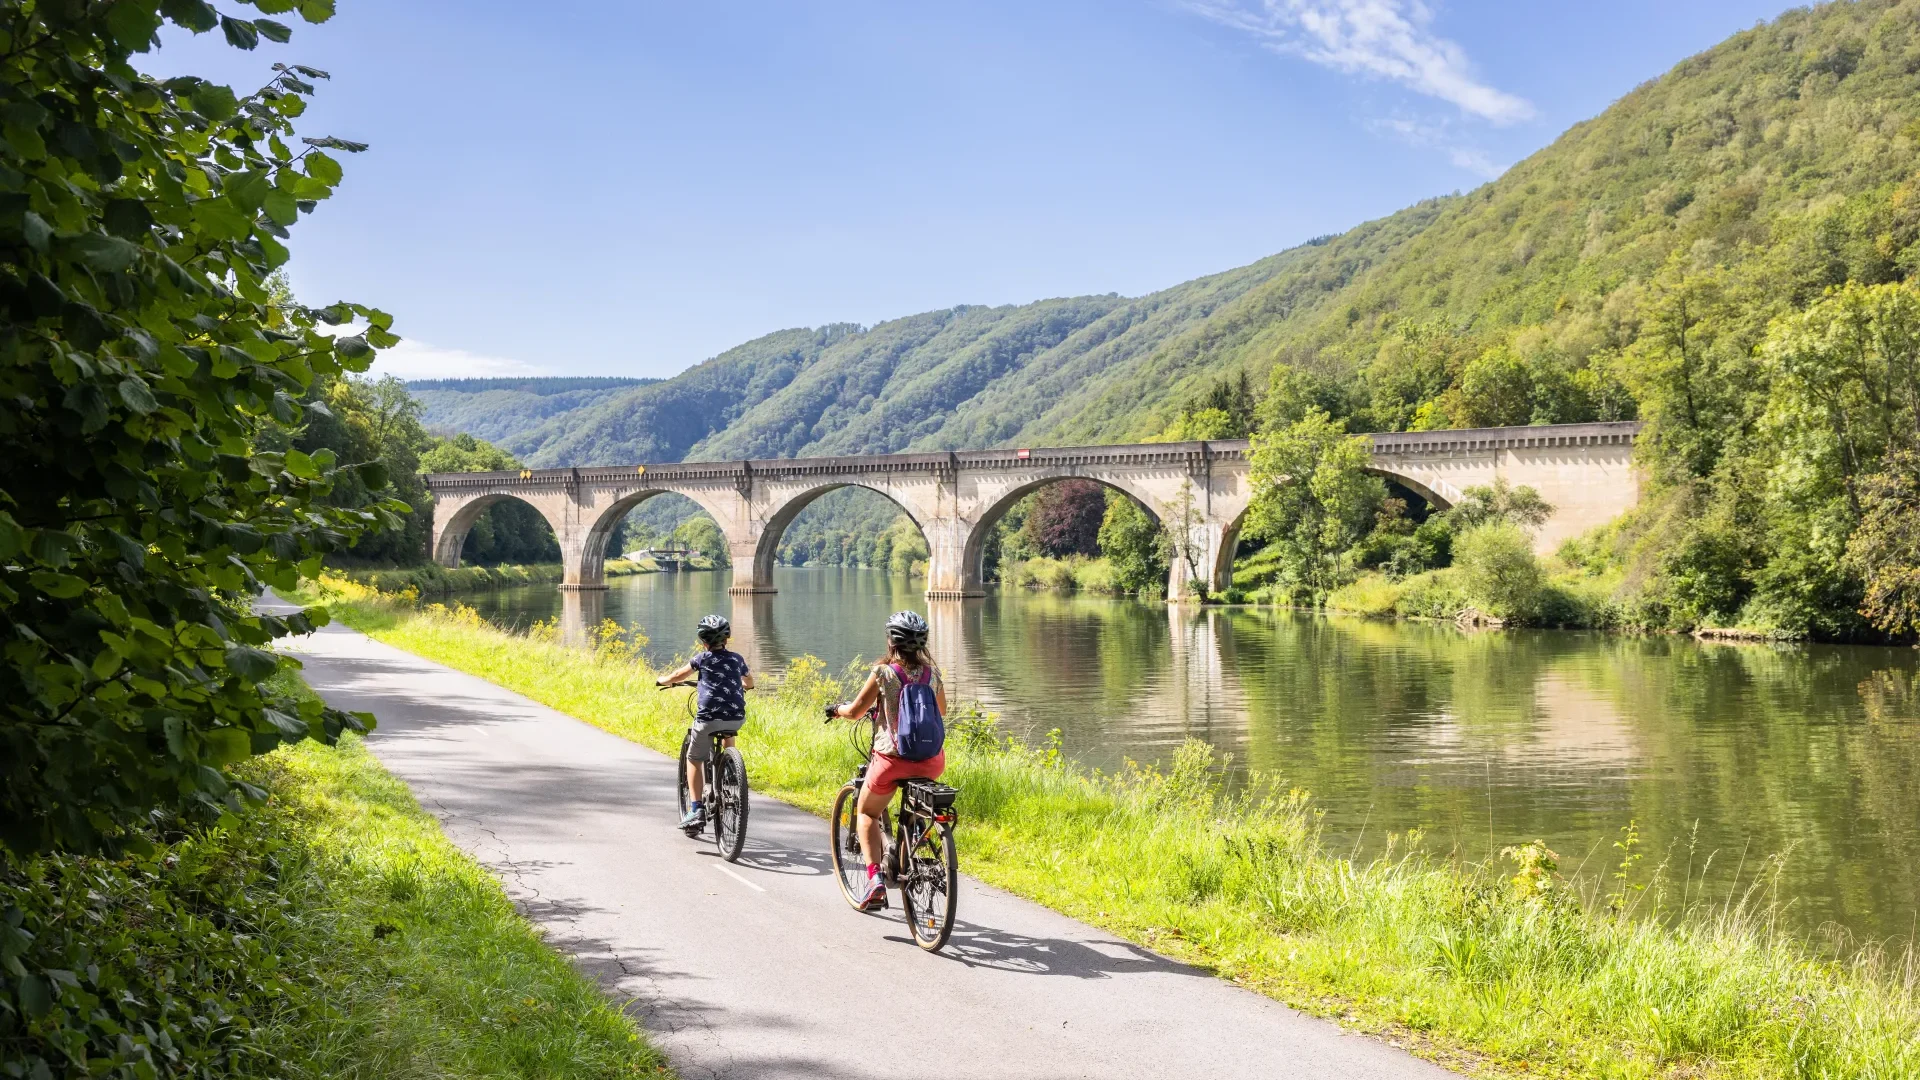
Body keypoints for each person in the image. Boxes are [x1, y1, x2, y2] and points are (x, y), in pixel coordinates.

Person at [825, 610, 946, 910]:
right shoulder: (933, 675)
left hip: (892, 760)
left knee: (867, 812)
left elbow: (854, 711)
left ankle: (875, 881)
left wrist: (836, 710)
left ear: (891, 641)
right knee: (917, 806)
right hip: (932, 760)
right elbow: (941, 711)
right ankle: (914, 840)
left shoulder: (884, 673)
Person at [656, 614, 753, 830]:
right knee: (728, 730)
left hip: (708, 718)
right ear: (726, 639)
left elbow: (678, 675)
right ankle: (730, 772)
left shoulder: (702, 659)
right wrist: (744, 686)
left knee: (694, 758)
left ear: (704, 642)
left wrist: (663, 680)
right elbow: (749, 681)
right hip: (736, 718)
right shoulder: (737, 659)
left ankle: (696, 808)